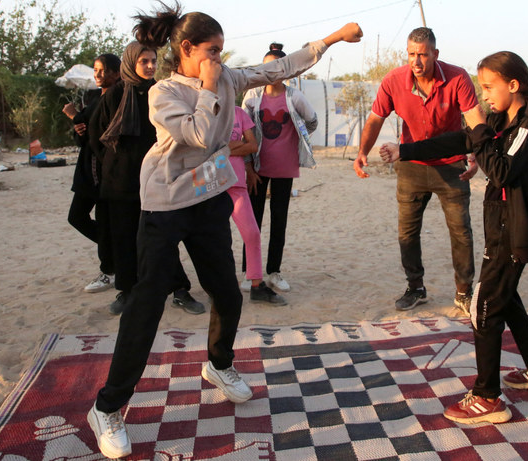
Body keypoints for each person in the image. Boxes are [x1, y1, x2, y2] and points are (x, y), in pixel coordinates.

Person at [85, 1, 362, 456]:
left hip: (209, 198)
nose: (220, 59)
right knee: (147, 303)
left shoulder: (229, 77)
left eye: (223, 51)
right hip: (166, 204)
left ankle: (218, 364)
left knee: (227, 292)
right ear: (188, 49)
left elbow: (281, 66)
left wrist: (331, 39)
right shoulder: (163, 93)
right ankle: (108, 407)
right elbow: (202, 135)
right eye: (213, 51)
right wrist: (211, 88)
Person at [380, 51, 528, 425]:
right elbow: (458, 142)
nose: (484, 97)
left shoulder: (527, 127)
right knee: (506, 297)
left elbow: (499, 171)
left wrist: (479, 132)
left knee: (484, 305)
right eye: (481, 89)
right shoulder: (499, 120)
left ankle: (487, 397)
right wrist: (406, 150)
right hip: (500, 228)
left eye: (489, 88)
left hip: (515, 233)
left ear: (514, 86)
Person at [353, 27, 484, 315]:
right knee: (408, 233)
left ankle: (464, 291)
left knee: (461, 232)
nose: (416, 61)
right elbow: (375, 119)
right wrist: (362, 151)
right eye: (411, 54)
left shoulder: (457, 77)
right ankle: (415, 287)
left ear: (435, 54)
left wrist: (476, 155)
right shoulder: (393, 81)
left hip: (452, 166)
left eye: (423, 54)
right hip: (411, 167)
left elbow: (475, 121)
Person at [90, 41, 204, 316]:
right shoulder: (115, 95)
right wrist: (119, 163)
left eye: (153, 61)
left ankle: (180, 289)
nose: (150, 66)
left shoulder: (161, 92)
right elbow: (96, 137)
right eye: (144, 61)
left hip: (157, 178)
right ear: (131, 62)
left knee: (164, 237)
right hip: (121, 182)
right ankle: (127, 291)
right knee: (125, 239)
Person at [241, 42, 318, 293]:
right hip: (257, 169)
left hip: (285, 168)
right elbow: (244, 132)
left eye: (276, 66)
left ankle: (274, 272)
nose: (270, 71)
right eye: (266, 66)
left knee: (279, 221)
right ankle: (249, 272)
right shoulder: (252, 96)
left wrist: (298, 138)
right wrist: (249, 168)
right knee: (252, 222)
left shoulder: (294, 96)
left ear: (285, 69)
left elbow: (312, 120)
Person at [62, 54, 121, 293]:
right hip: (87, 168)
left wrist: (74, 115)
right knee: (77, 217)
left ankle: (109, 267)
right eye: (96, 70)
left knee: (105, 222)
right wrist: (77, 125)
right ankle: (116, 253)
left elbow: (102, 133)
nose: (97, 75)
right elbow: (83, 134)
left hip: (105, 171)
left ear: (117, 73)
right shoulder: (95, 96)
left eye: (102, 70)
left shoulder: (118, 99)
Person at [228, 105, 286, 305]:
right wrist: (236, 145)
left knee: (252, 233)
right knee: (217, 237)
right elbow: (205, 147)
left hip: (237, 184)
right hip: (213, 185)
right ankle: (219, 286)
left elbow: (252, 145)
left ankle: (256, 285)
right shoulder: (206, 111)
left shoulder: (239, 113)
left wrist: (226, 148)